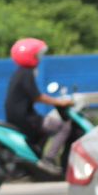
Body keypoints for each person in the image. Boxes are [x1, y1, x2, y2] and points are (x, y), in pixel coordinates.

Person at [4, 36, 72, 173]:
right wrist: (60, 102)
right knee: (64, 126)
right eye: (37, 55)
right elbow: (38, 97)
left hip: (19, 116)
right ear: (29, 56)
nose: (39, 58)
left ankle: (37, 158)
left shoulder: (20, 72)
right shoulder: (26, 73)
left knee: (46, 129)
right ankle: (49, 159)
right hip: (25, 118)